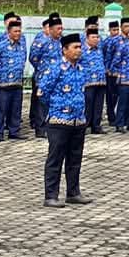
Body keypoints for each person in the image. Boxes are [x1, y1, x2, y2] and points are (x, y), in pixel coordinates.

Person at [40, 32, 93, 208]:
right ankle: (51, 195)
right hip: (59, 121)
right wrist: (57, 109)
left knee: (75, 159)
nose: (79, 51)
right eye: (75, 47)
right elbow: (42, 92)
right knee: (55, 159)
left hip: (78, 121)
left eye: (80, 47)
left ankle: (73, 192)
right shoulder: (56, 68)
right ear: (65, 50)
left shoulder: (80, 68)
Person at [0, 15, 28, 141]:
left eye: (19, 31)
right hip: (3, 82)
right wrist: (0, 71)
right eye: (15, 31)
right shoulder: (1, 45)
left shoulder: (22, 44)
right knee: (0, 108)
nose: (18, 33)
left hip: (17, 81)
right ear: (9, 32)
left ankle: (14, 130)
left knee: (15, 108)